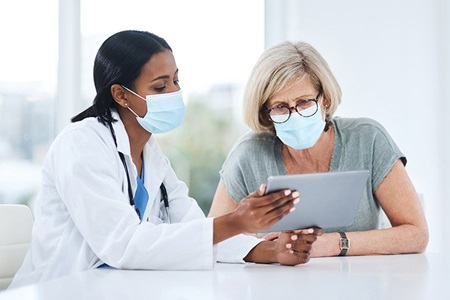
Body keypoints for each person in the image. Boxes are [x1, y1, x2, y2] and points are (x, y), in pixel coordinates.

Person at [9, 31, 322, 289]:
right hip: (61, 288)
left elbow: (196, 229)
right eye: (160, 86)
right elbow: (122, 244)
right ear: (121, 95)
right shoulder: (80, 145)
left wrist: (271, 251)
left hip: (117, 288)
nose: (175, 92)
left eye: (175, 80)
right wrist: (237, 220)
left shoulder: (151, 154)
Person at [208, 41, 429, 257]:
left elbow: (417, 235)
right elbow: (211, 240)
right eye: (280, 107)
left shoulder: (368, 139)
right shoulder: (249, 154)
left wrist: (333, 244)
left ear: (325, 99)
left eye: (304, 102)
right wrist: (272, 250)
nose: (294, 115)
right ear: (266, 112)